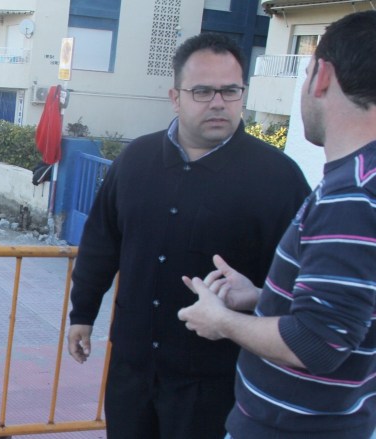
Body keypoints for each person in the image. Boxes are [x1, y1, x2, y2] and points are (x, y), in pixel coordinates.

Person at [66, 33, 311, 439]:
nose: (218, 102)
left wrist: (257, 299)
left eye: (230, 91)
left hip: (218, 384)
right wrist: (82, 315)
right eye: (202, 91)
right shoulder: (135, 160)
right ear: (175, 97)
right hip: (132, 371)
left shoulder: (278, 178)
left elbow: (302, 282)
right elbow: (101, 244)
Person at [177, 11, 376, 438]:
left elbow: (317, 344)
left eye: (305, 73)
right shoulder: (360, 181)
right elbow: (351, 313)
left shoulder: (352, 195)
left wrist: (221, 320)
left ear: (322, 77)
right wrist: (262, 297)